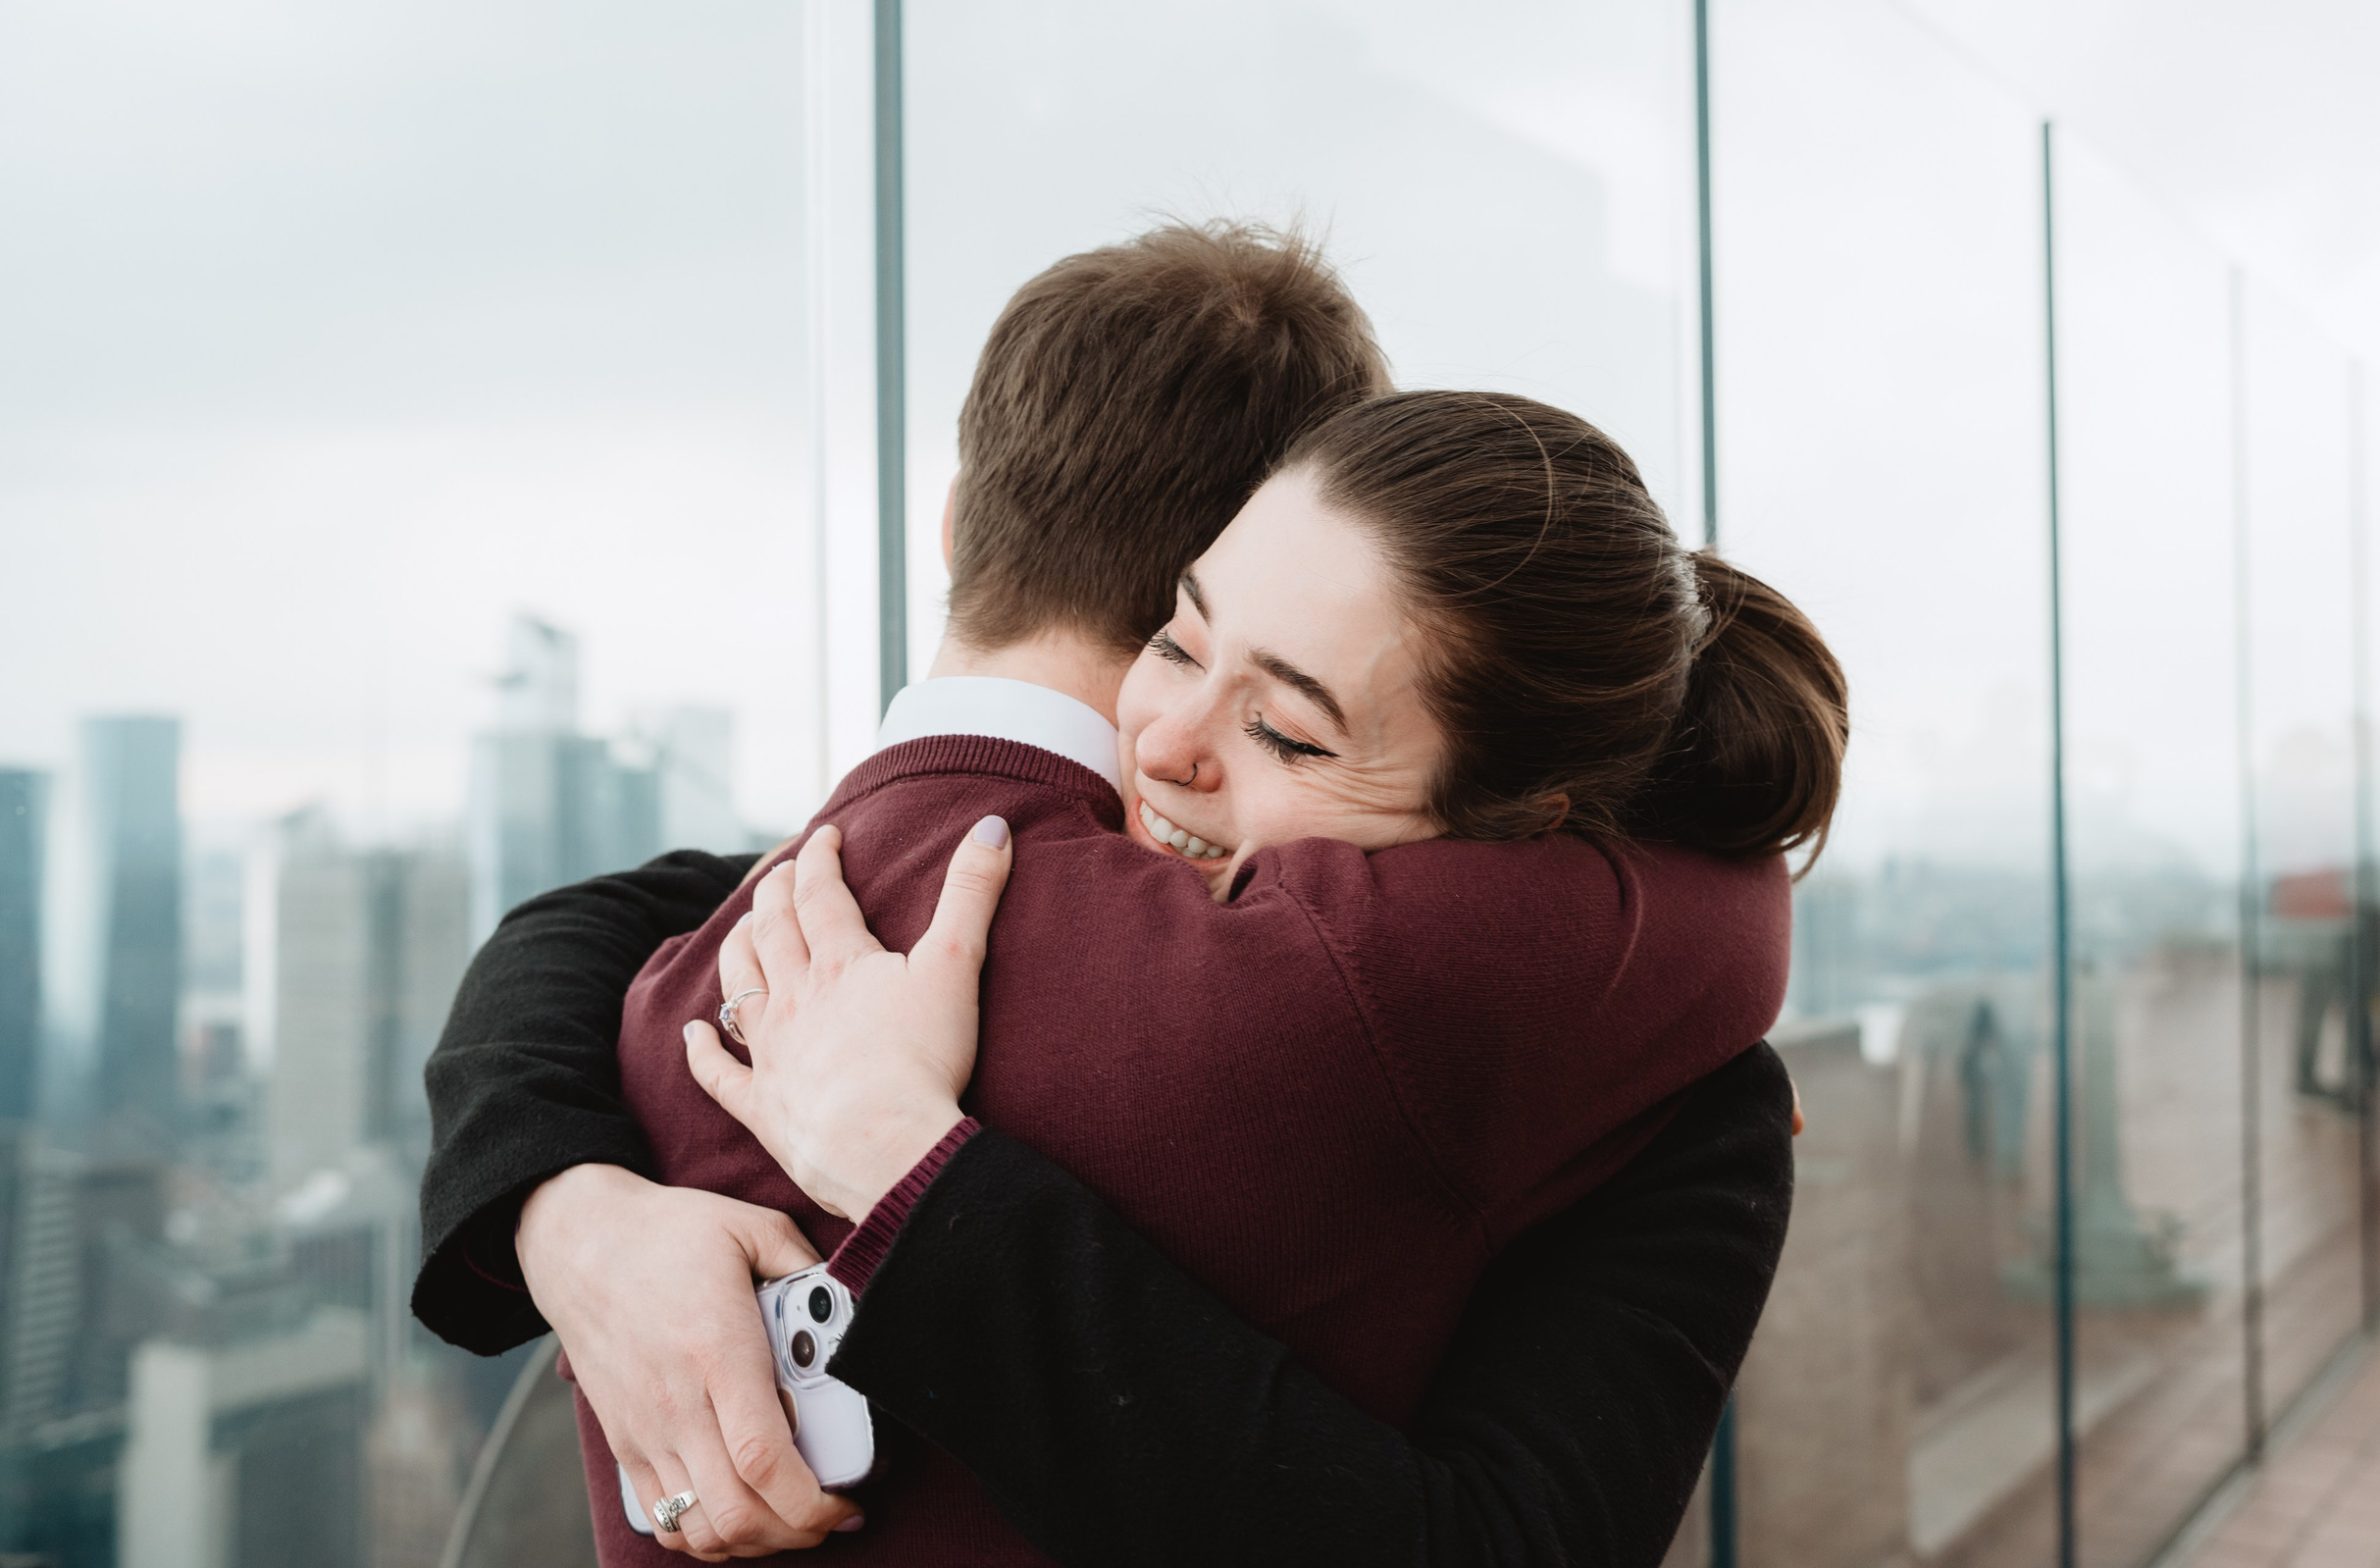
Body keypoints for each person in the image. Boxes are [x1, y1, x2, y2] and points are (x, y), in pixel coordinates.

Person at [420, 226, 1823, 1564]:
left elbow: (624, 910)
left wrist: (574, 1194)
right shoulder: (1476, 1001)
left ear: (960, 520)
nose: (1162, 742)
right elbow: (1713, 910)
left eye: (1286, 721)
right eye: (1175, 634)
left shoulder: (707, 974)